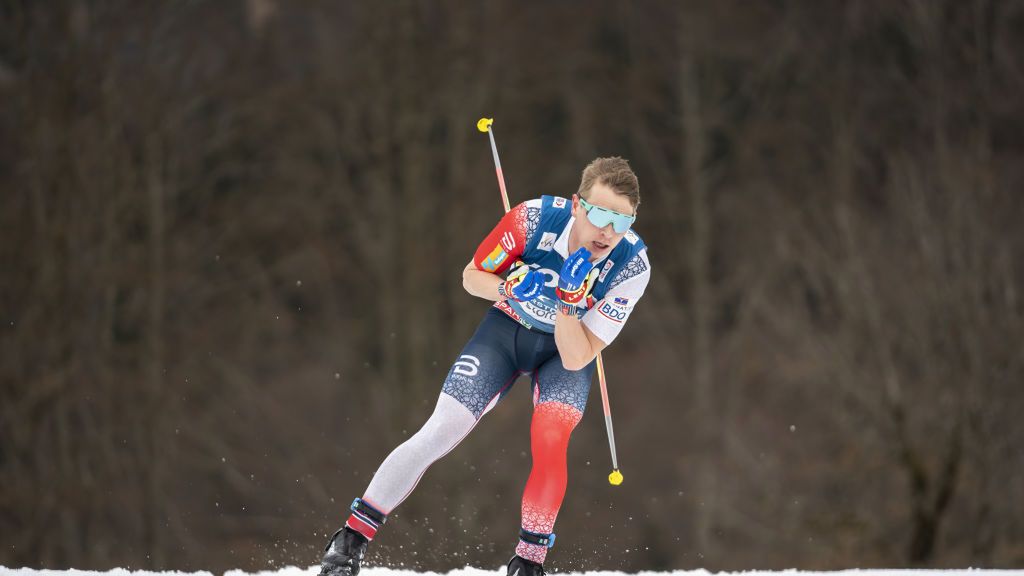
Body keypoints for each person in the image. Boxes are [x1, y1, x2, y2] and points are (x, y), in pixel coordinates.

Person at [319, 157, 651, 576]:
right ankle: (350, 538)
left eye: (622, 220)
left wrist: (568, 304)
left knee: (551, 439)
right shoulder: (531, 220)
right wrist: (509, 285)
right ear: (576, 205)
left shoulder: (632, 265)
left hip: (562, 352)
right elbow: (471, 276)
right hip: (507, 331)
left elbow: (577, 356)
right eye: (600, 214)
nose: (608, 231)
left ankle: (528, 562)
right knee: (442, 428)